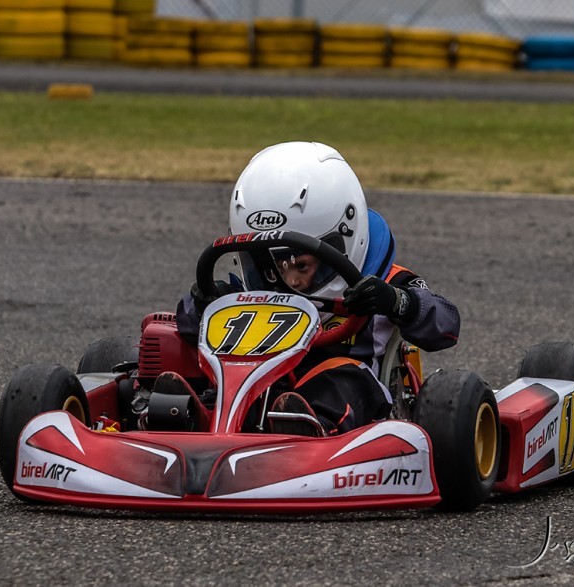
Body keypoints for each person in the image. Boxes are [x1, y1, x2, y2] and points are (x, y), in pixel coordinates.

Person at [173, 142, 461, 437]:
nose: (290, 281)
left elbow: (446, 323)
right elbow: (186, 324)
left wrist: (397, 302)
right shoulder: (253, 288)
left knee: (343, 376)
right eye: (272, 266)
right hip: (257, 387)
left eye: (301, 265)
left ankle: (310, 429)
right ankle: (188, 418)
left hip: (349, 400)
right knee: (194, 364)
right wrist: (204, 304)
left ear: (344, 240)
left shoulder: (386, 281)